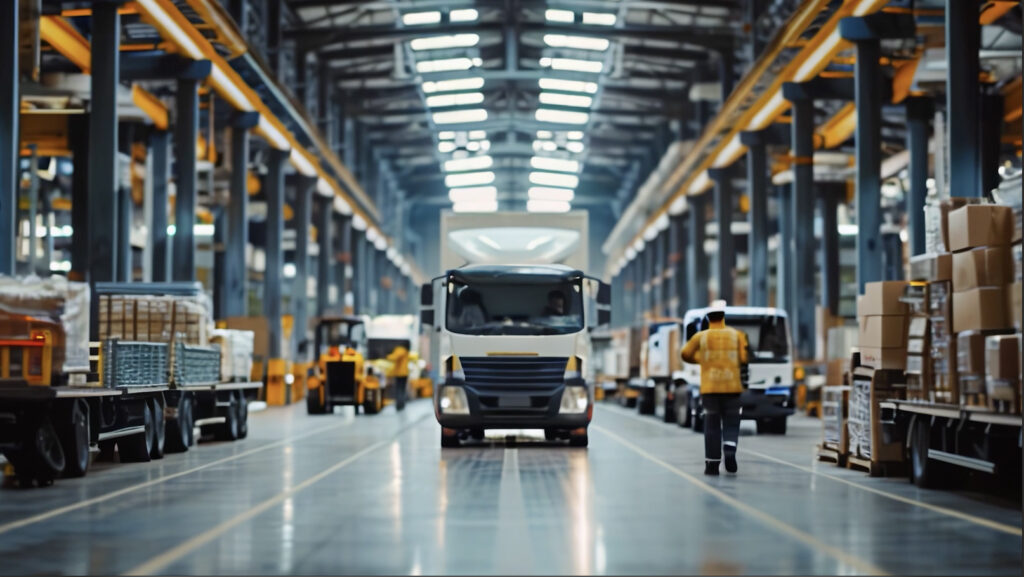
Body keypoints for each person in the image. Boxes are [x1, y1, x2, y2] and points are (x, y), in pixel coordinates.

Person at [680, 304, 749, 476]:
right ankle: (730, 450)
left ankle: (712, 465)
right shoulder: (737, 335)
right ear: (723, 317)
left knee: (711, 424)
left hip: (710, 389)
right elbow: (744, 358)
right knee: (732, 421)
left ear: (709, 319)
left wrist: (703, 359)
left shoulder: (701, 337)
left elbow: (685, 354)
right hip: (732, 387)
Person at [386, 344, 410, 411]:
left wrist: (387, 356)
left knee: (399, 389)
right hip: (404, 373)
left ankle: (399, 405)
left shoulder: (399, 350)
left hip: (400, 373)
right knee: (401, 389)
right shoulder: (404, 350)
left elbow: (394, 357)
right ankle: (401, 404)